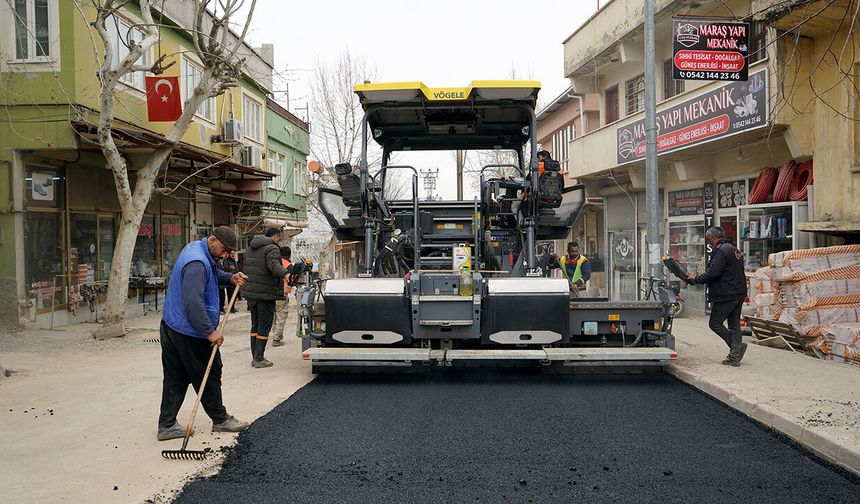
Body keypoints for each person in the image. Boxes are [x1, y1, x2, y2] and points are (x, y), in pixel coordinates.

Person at [157, 226, 249, 441]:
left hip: (173, 326)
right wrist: (209, 331)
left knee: (176, 377)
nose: (226, 255)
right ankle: (221, 419)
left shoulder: (197, 250)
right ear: (213, 240)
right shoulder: (197, 263)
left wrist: (230, 278)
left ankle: (167, 425)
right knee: (210, 373)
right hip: (190, 331)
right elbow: (193, 303)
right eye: (225, 250)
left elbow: (213, 273)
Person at [685, 226, 749, 366]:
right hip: (738, 292)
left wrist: (695, 280)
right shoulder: (732, 248)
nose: (709, 243)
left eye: (709, 240)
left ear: (713, 237)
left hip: (726, 294)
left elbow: (713, 273)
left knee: (714, 323)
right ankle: (734, 357)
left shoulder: (721, 251)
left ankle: (736, 348)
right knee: (734, 324)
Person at [243, 227, 288, 368]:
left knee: (255, 325)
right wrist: (286, 273)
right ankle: (258, 358)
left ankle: (254, 356)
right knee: (264, 326)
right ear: (275, 237)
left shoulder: (251, 248)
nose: (280, 241)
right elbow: (274, 266)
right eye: (280, 238)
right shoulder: (272, 249)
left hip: (251, 293)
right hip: (265, 293)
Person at [271, 246, 293, 347]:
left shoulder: (274, 263)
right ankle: (276, 339)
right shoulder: (288, 265)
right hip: (282, 295)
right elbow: (293, 280)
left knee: (273, 317)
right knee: (281, 317)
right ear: (289, 254)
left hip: (271, 294)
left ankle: (274, 335)